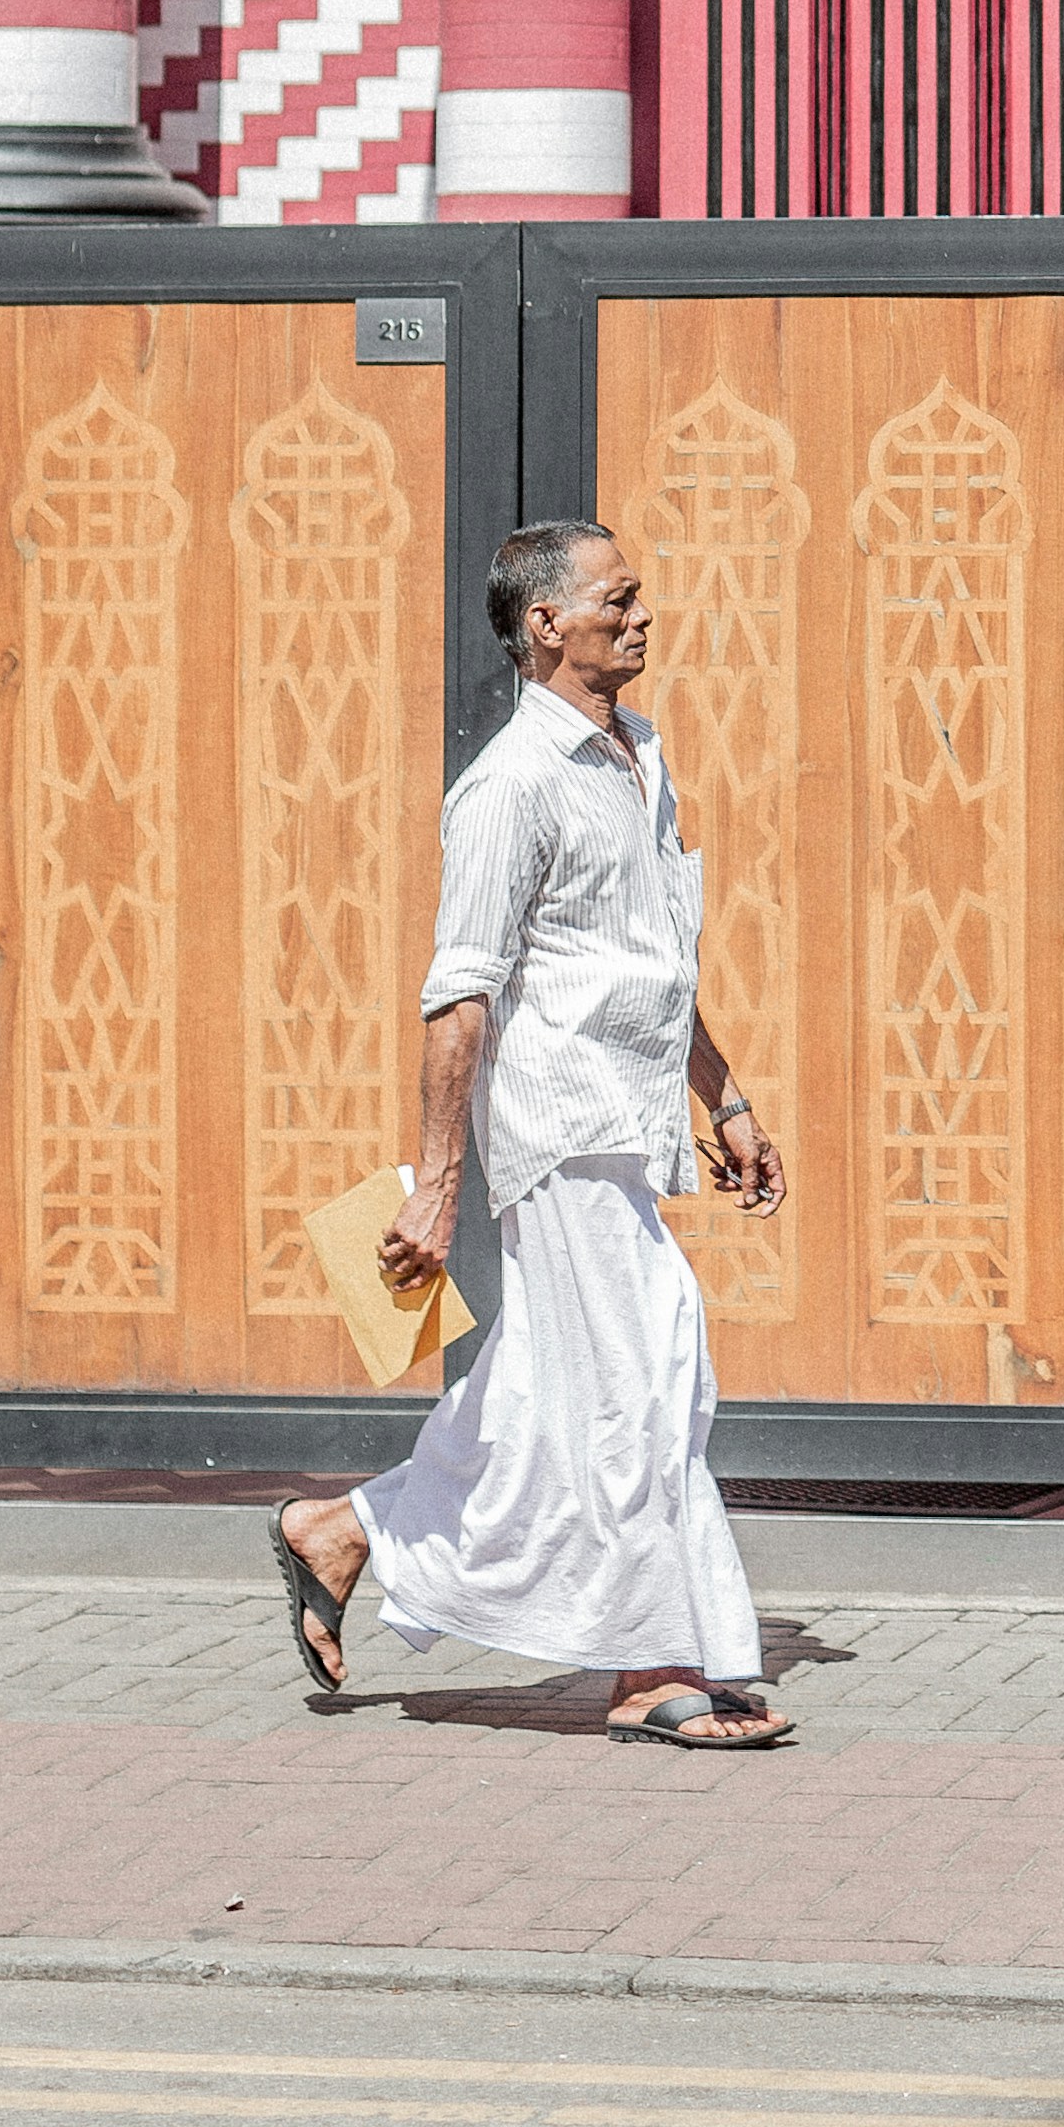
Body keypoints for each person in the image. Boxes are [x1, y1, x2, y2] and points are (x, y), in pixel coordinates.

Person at [267, 518, 794, 1751]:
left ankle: (341, 1527)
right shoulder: (510, 783)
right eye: (621, 595)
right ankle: (651, 1660)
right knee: (640, 1377)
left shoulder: (636, 757)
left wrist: (725, 1096)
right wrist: (437, 1185)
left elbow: (652, 963)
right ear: (547, 623)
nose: (644, 612)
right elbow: (460, 992)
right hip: (556, 1126)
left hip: (628, 1118)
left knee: (551, 1391)